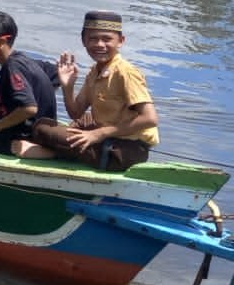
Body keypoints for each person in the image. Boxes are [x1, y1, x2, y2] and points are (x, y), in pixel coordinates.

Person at [26, 11, 159, 172]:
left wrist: (98, 134)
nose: (100, 45)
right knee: (83, 120)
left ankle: (53, 152)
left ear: (120, 41)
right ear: (84, 41)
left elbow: (150, 119)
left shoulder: (126, 72)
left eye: (107, 39)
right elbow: (76, 113)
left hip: (123, 152)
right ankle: (70, 148)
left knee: (41, 127)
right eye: (93, 39)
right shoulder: (95, 72)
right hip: (112, 138)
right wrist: (67, 87)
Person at [0, 9, 59, 156]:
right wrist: (3, 88)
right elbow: (55, 74)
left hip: (19, 137)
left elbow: (29, 108)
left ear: (2, 41)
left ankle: (42, 152)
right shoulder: (23, 60)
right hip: (29, 131)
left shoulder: (12, 66)